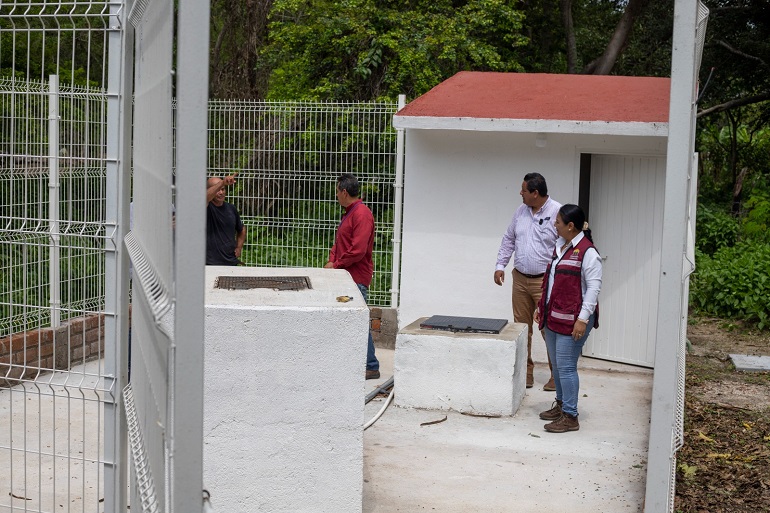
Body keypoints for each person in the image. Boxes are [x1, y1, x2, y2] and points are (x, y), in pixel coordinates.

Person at [535, 204, 602, 433]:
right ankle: (562, 405)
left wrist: (582, 319)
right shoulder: (560, 247)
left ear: (570, 226)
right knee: (557, 363)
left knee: (566, 366)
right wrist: (542, 308)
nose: (555, 225)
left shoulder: (588, 252)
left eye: (558, 222)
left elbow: (593, 289)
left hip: (574, 319)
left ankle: (571, 416)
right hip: (554, 316)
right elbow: (552, 281)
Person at [494, 173, 561, 390]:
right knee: (522, 328)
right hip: (520, 279)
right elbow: (509, 239)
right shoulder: (520, 212)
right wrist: (500, 265)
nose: (520, 193)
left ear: (535, 193)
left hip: (545, 282)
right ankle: (526, 373)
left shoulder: (556, 212)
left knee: (548, 328)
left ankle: (556, 376)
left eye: (523, 190)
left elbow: (563, 248)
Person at [324, 173, 380, 380]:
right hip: (345, 277)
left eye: (337, 192)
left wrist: (336, 264)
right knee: (348, 319)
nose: (336, 196)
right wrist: (332, 260)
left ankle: (371, 365)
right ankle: (362, 363)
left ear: (344, 192)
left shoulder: (361, 214)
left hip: (355, 279)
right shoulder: (350, 213)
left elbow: (357, 250)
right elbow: (340, 243)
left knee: (356, 320)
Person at [206, 174, 246, 265]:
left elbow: (242, 229)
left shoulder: (231, 208)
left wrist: (239, 247)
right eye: (217, 190)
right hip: (210, 264)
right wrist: (222, 183)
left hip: (230, 262)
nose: (221, 192)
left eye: (223, 189)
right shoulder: (205, 207)